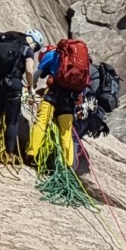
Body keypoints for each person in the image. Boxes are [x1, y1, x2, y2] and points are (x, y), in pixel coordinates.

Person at [28, 37, 91, 169]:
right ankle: (67, 164)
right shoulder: (76, 63)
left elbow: (37, 73)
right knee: (66, 131)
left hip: (53, 94)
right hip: (69, 99)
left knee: (41, 121)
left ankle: (32, 152)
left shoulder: (51, 55)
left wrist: (30, 89)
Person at [0, 28, 42, 160]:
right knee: (12, 121)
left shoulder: (1, 46)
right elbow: (29, 71)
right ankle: (9, 154)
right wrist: (31, 88)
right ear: (34, 43)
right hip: (12, 86)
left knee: (0, 116)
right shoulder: (26, 50)